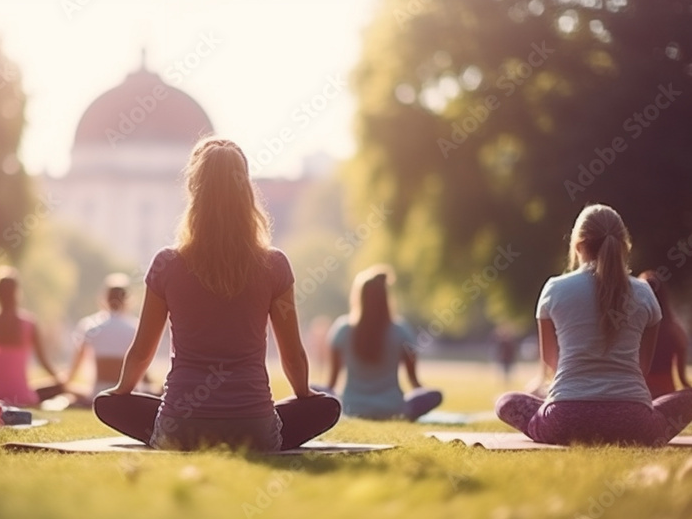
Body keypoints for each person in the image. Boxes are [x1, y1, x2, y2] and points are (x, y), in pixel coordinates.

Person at [94, 137, 341, 451]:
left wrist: (121, 390)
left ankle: (172, 428)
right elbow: (293, 355)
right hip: (254, 430)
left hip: (181, 428)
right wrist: (305, 395)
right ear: (246, 190)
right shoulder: (274, 265)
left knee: (107, 403)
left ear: (195, 191)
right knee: (327, 407)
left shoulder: (166, 264)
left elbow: (142, 352)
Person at [495, 204, 692, 445]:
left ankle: (553, 414)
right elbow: (642, 368)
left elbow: (550, 362)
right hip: (635, 424)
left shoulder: (554, 288)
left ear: (578, 245)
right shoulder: (645, 292)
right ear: (624, 245)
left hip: (565, 420)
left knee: (505, 402)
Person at [326, 266, 442, 421]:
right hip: (392, 407)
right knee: (436, 395)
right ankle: (407, 411)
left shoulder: (342, 329)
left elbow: (331, 384)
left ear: (359, 297)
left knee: (313, 390)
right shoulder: (401, 331)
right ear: (386, 298)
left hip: (351, 406)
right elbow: (414, 381)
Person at [0, 267, 64, 406]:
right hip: (21, 395)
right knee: (57, 387)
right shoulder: (30, 324)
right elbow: (43, 361)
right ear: (17, 293)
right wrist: (60, 380)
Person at [65, 273, 141, 406]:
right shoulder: (136, 328)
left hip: (98, 394)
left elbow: (75, 369)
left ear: (104, 298)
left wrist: (64, 385)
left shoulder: (90, 325)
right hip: (127, 395)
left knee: (71, 390)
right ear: (127, 300)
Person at [638, 270, 692, 397]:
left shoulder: (633, 329)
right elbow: (682, 379)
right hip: (665, 394)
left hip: (639, 393)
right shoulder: (675, 330)